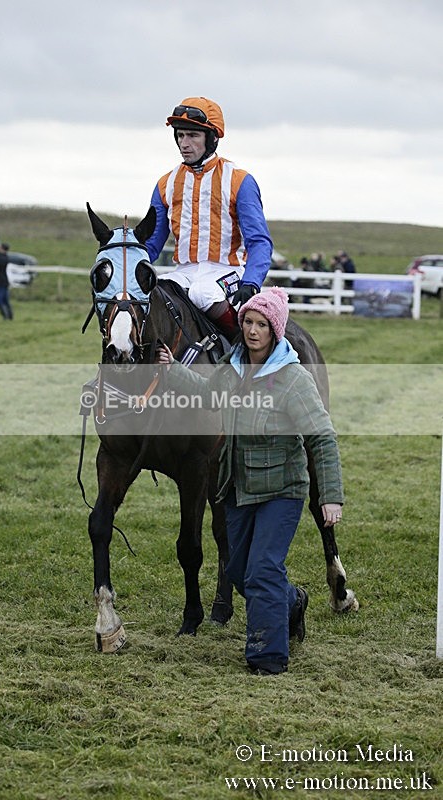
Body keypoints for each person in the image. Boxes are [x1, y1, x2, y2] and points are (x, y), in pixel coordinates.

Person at [156, 287, 344, 675]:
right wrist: (172, 368)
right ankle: (292, 601)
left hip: (282, 491)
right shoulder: (234, 366)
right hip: (238, 486)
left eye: (261, 324)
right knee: (239, 570)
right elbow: (207, 394)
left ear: (275, 331)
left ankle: (267, 656)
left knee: (261, 569)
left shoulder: (293, 378)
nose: (252, 330)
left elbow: (322, 437)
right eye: (247, 322)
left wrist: (330, 496)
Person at [145, 97, 273, 341]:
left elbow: (260, 242)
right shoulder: (165, 184)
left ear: (212, 137)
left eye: (193, 135)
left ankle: (243, 351)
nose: (184, 143)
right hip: (183, 272)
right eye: (180, 135)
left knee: (203, 293)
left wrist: (252, 282)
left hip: (229, 273)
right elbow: (152, 243)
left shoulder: (239, 180)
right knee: (153, 296)